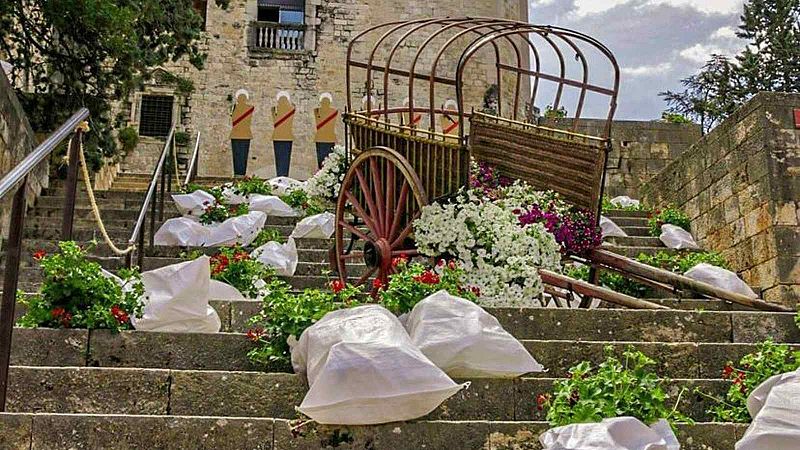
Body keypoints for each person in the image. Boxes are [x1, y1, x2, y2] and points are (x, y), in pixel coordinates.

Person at [230, 90, 254, 176]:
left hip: (236, 133)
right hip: (244, 133)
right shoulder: (248, 108)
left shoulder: (248, 108)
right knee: (239, 155)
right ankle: (239, 174)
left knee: (240, 155)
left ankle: (239, 174)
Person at [272, 91, 296, 177]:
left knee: (284, 159)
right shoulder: (290, 109)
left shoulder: (275, 110)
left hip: (279, 136)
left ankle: (283, 175)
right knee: (281, 158)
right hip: (285, 136)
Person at [314, 93, 338, 168]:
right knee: (323, 160)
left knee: (327, 160)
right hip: (327, 137)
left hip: (322, 137)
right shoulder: (317, 111)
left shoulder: (318, 111)